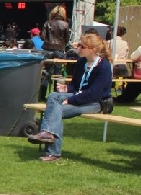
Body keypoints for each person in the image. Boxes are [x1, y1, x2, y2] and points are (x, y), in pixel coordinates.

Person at [27, 32, 113, 161]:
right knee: (54, 96)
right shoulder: (82, 62)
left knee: (56, 110)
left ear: (93, 50)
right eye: (79, 45)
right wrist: (66, 89)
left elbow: (94, 93)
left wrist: (70, 100)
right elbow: (75, 85)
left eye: (82, 46)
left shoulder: (104, 66)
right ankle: (48, 136)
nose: (78, 48)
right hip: (80, 97)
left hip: (96, 103)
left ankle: (52, 150)